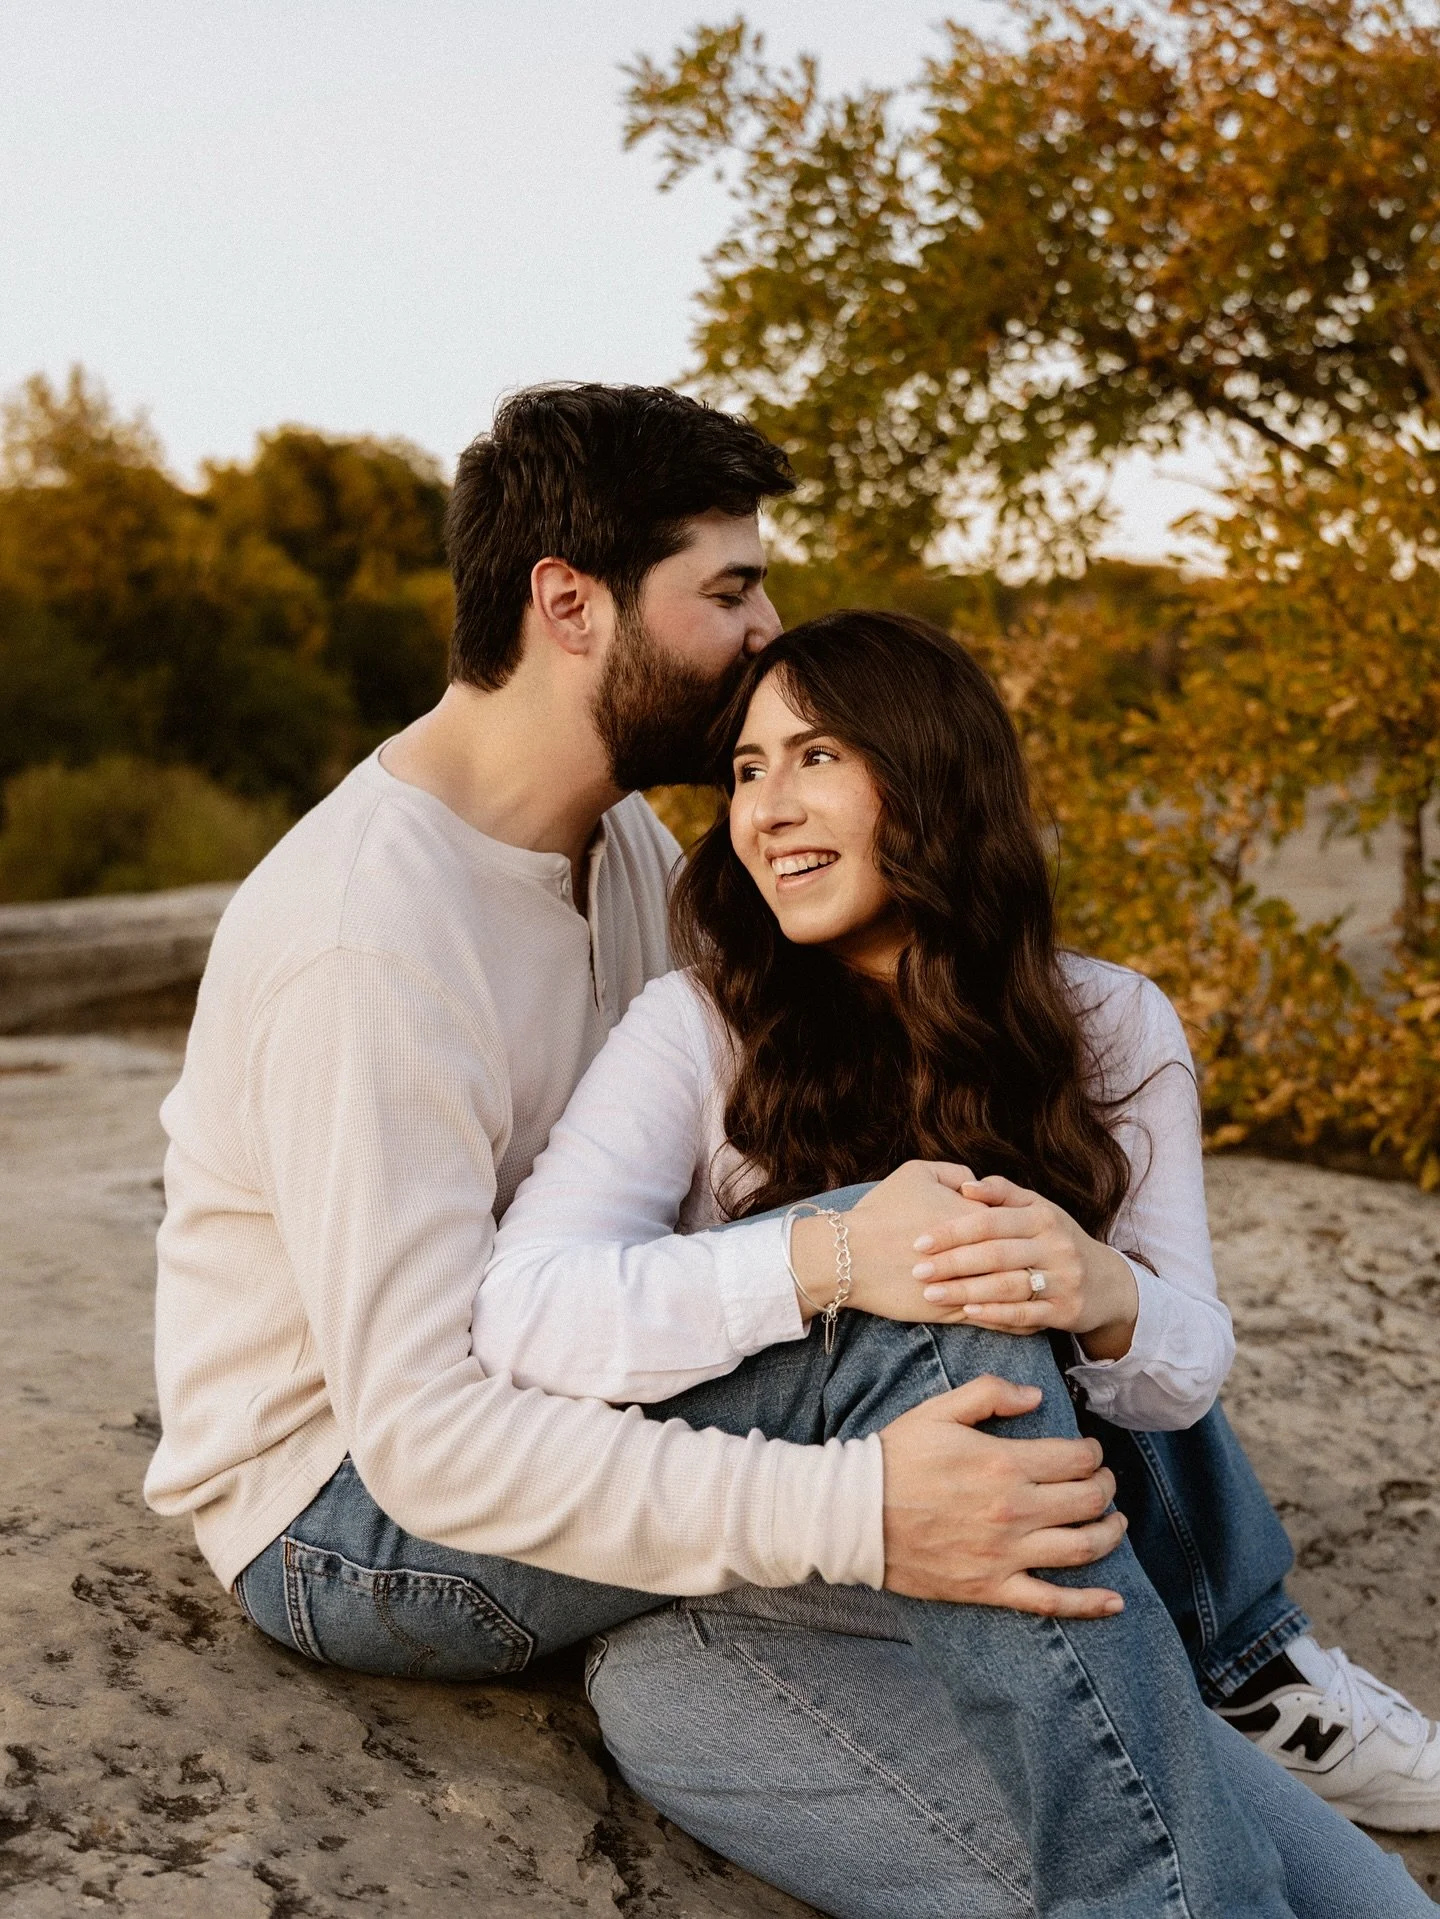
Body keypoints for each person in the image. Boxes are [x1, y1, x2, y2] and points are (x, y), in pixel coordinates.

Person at [139, 386, 1435, 1915]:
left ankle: (1237, 1684)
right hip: (356, 1515)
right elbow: (429, 1437)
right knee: (920, 1282)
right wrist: (866, 1505)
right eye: (732, 589)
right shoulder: (369, 936)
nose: (765, 630)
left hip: (561, 1387)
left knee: (971, 1246)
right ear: (572, 602)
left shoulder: (615, 845)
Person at [469, 608, 1436, 1916]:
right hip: (773, 1596)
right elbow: (524, 1311)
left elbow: (1185, 1371)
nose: (766, 808)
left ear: (930, 769)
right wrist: (827, 1259)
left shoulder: (1108, 1019)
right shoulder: (699, 1027)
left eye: (816, 755)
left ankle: (1251, 1666)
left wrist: (1104, 1293)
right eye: (746, 769)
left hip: (1050, 1619)